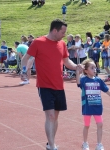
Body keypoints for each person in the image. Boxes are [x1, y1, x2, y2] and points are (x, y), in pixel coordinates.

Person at [21, 19, 80, 150]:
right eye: (62, 32)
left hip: (59, 85)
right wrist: (24, 71)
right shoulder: (38, 42)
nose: (64, 34)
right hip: (44, 85)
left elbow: (66, 61)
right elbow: (25, 58)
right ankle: (52, 146)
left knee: (56, 116)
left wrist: (77, 67)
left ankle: (50, 142)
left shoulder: (62, 44)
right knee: (50, 115)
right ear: (55, 30)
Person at [76, 59, 110, 150]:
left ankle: (99, 144)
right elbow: (78, 82)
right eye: (92, 68)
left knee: (100, 124)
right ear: (86, 71)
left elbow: (106, 89)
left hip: (97, 106)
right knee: (87, 125)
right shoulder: (83, 80)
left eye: (95, 67)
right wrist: (77, 72)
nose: (95, 69)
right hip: (87, 107)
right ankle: (85, 143)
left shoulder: (98, 80)